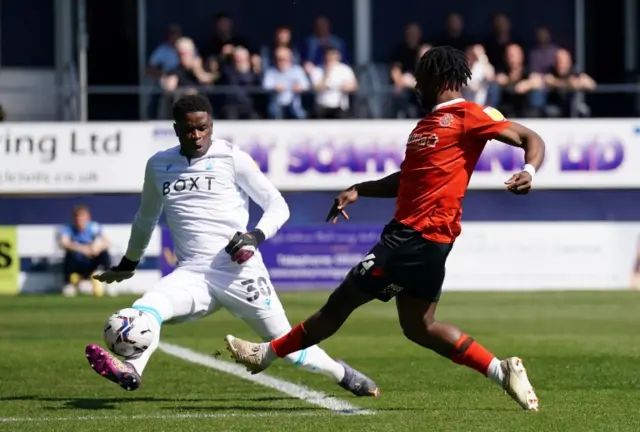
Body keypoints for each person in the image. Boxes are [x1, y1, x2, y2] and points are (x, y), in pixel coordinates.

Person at [225, 46, 545, 411]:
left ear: (437, 79)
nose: (414, 85)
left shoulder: (470, 115)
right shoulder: (425, 127)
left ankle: (265, 354)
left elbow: (530, 139)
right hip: (428, 242)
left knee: (341, 302)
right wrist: (361, 189)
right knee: (418, 325)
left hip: (412, 236)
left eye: (419, 78)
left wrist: (530, 170)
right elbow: (407, 179)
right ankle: (500, 370)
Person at [85, 94, 379, 398]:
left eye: (203, 128)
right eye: (189, 129)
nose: (197, 136)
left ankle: (341, 373)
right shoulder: (159, 165)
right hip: (192, 275)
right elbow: (145, 218)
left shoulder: (232, 157)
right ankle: (131, 369)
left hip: (240, 271)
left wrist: (255, 236)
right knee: (147, 309)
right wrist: (129, 263)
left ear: (211, 126)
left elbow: (277, 205)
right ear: (176, 129)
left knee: (287, 347)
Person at [58, 204, 111, 297]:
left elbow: (107, 242)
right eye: (77, 218)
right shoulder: (68, 228)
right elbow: (64, 243)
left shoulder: (94, 227)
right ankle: (68, 284)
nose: (80, 220)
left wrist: (97, 248)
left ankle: (109, 281)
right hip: (77, 261)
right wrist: (81, 249)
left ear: (88, 218)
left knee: (104, 254)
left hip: (92, 260)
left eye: (82, 217)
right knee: (68, 255)